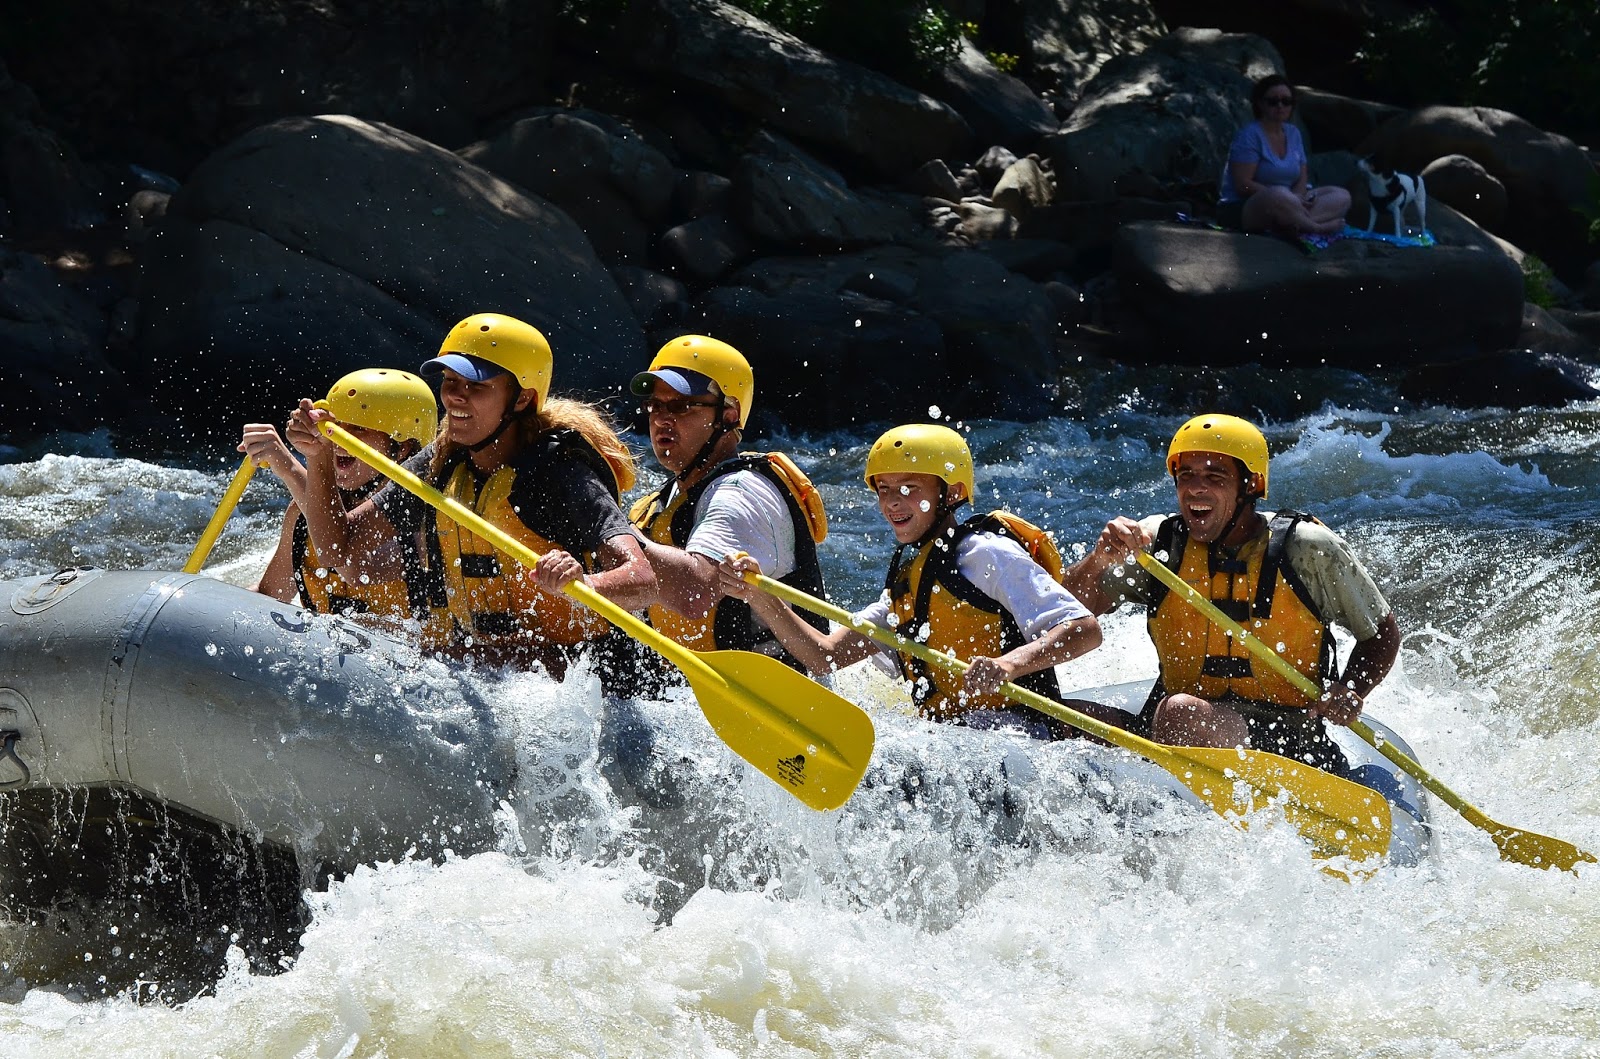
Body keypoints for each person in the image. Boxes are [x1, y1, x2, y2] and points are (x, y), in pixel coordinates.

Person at [287, 312, 657, 678]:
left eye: (475, 386)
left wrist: (583, 584)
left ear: (521, 399)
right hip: (487, 666)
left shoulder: (559, 472)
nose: (455, 398)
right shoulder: (440, 462)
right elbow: (338, 550)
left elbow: (643, 580)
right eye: (450, 381)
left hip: (586, 674)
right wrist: (318, 455)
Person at [720, 424, 1120, 741]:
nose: (893, 502)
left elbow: (1085, 630)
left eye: (910, 488)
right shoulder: (906, 581)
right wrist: (760, 597)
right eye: (885, 489)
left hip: (1020, 734)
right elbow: (825, 656)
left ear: (953, 492)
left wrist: (1007, 665)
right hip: (955, 738)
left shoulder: (987, 553)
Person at [1062, 413, 1401, 775]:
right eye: (1186, 475)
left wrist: (1351, 689)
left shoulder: (1306, 548)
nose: (1194, 488)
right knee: (1058, 715)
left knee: (1179, 712)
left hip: (1286, 738)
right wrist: (1098, 560)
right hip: (1167, 727)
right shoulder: (1158, 544)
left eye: (1214, 476)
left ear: (1250, 485)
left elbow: (1381, 634)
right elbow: (1064, 613)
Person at [627, 335, 828, 664]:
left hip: (767, 693)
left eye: (681, 406)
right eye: (656, 405)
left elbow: (695, 592)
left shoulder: (741, 494)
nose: (662, 419)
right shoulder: (659, 502)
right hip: (681, 699)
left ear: (730, 414)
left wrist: (612, 532)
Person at [239, 368, 437, 628]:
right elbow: (268, 597)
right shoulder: (300, 514)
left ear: (403, 449)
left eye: (358, 429)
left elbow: (352, 565)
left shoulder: (424, 522)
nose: (339, 440)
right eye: (334, 428)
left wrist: (288, 467)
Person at [1217, 74, 1351, 235]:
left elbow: (1302, 176)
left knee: (1341, 195)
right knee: (1277, 194)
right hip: (1248, 204)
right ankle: (1316, 227)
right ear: (1260, 104)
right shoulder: (1249, 136)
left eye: (1286, 101)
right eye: (1273, 101)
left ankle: (1295, 223)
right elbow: (1243, 185)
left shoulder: (1293, 133)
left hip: (1289, 200)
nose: (1280, 106)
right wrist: (1287, 197)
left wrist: (1297, 197)